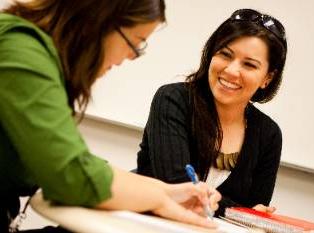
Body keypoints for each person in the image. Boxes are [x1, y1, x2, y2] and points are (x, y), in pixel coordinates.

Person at [0, 0, 221, 232]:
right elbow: (70, 174)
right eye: (135, 44)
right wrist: (159, 200)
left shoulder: (27, 49)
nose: (127, 58)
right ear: (99, 19)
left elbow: (77, 162)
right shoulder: (20, 50)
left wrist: (167, 192)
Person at [137, 8, 287, 217]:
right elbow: (178, 187)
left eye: (249, 65)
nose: (231, 71)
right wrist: (237, 210)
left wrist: (247, 213)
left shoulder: (268, 134)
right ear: (211, 54)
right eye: (225, 54)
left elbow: (256, 213)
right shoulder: (173, 99)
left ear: (267, 78)